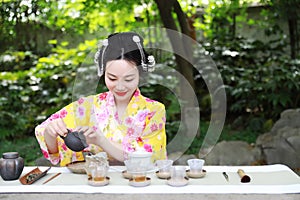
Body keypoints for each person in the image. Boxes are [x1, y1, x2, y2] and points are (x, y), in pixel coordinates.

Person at [35, 32, 167, 166]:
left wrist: (101, 140)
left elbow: (148, 156)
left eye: (128, 79)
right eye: (112, 78)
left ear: (140, 74)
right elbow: (53, 150)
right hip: (94, 181)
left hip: (137, 182)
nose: (120, 86)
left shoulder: (154, 110)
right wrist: (50, 133)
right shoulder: (86, 107)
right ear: (103, 72)